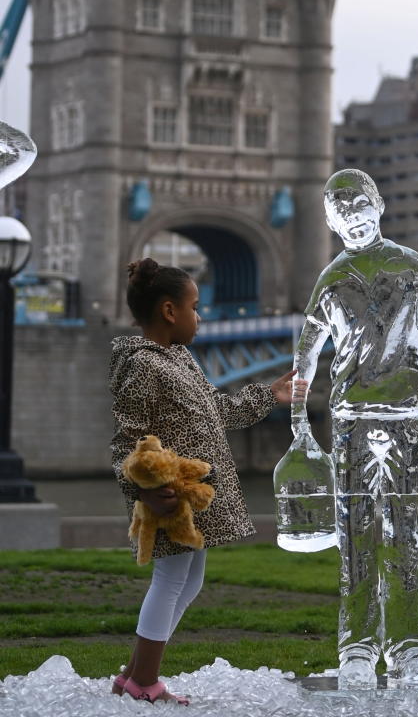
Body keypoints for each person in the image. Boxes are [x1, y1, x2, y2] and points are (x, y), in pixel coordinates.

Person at [285, 169, 418, 687]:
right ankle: (357, 650)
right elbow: (306, 356)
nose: (353, 221)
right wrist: (299, 421)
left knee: (406, 537)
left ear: (378, 206)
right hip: (350, 423)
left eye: (359, 209)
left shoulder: (413, 268)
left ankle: (410, 647)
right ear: (329, 221)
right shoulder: (331, 279)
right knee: (356, 539)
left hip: (407, 419)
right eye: (341, 215)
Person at [110, 257, 297, 704]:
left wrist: (268, 395)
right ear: (170, 311)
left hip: (193, 500)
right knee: (171, 579)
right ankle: (144, 684)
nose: (201, 316)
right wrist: (146, 490)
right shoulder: (143, 366)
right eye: (196, 307)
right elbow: (125, 442)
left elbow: (217, 410)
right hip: (169, 497)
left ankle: (133, 675)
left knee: (188, 580)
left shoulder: (179, 358)